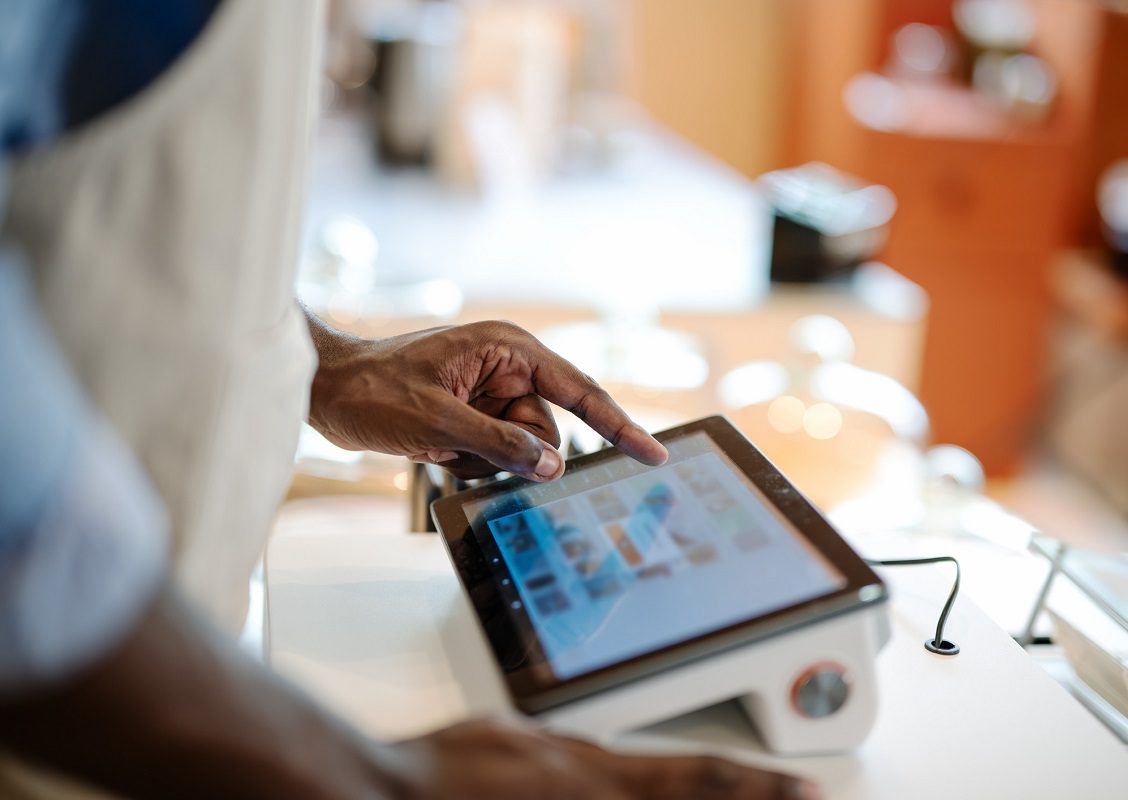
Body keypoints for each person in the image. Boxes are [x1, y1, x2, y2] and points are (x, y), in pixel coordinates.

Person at [0, 2, 819, 798]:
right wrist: (380, 781)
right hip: (76, 726)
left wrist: (333, 367)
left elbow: (124, 227)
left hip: (181, 696)